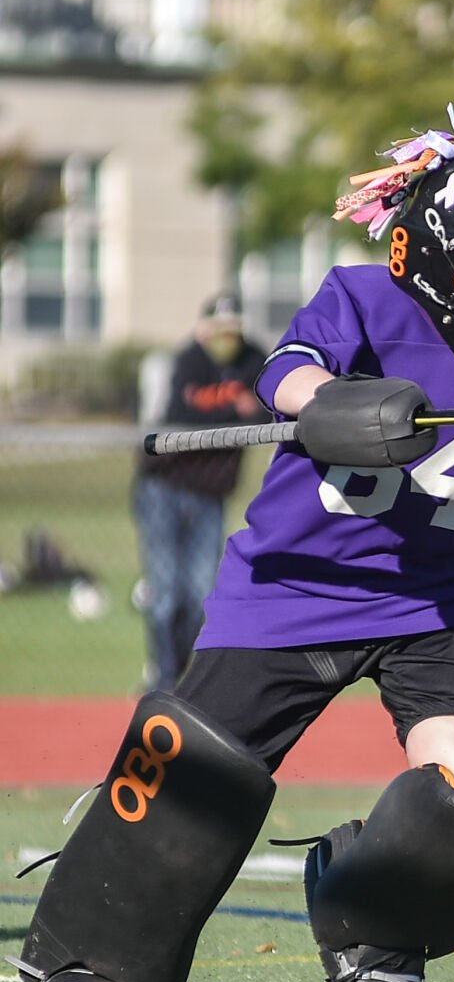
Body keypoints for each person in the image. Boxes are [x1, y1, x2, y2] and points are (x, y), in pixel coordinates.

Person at [17, 123, 454, 982]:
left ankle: (365, 911)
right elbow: (286, 371)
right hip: (293, 587)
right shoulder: (363, 299)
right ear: (422, 261)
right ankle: (92, 956)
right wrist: (329, 403)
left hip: (444, 602)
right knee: (193, 772)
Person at [131, 293, 267, 692]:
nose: (226, 337)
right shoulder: (189, 359)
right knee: (166, 593)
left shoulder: (253, 360)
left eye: (233, 330)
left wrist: (238, 409)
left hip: (211, 492)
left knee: (200, 593)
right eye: (219, 329)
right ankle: (163, 676)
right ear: (203, 329)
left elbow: (265, 412)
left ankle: (180, 677)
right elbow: (182, 414)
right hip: (164, 486)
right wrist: (233, 408)